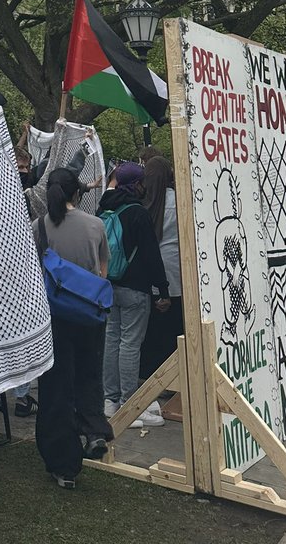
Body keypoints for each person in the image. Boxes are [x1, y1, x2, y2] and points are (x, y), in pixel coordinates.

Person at [32, 168, 112, 489]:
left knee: (55, 389)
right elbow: (104, 271)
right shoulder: (96, 225)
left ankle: (64, 465)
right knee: (89, 377)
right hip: (90, 317)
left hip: (53, 319)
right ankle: (94, 431)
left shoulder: (37, 228)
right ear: (77, 193)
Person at [98, 162, 170, 427]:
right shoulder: (138, 213)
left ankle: (110, 400)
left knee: (111, 340)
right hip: (135, 289)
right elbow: (151, 255)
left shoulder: (104, 208)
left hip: (108, 287)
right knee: (130, 344)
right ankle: (132, 403)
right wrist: (162, 290)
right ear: (137, 184)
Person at [139, 156, 183, 391]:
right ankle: (174, 378)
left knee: (153, 329)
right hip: (177, 272)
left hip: (152, 274)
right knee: (174, 330)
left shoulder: (146, 203)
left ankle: (151, 377)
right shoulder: (179, 200)